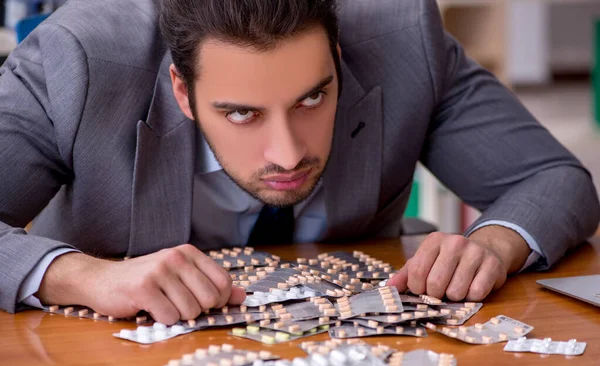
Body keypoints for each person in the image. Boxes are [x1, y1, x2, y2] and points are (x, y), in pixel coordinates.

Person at [0, 0, 598, 324]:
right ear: (181, 91)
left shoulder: (404, 36)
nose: (288, 154)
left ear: (337, 58)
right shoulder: (75, 61)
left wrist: (494, 243)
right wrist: (82, 276)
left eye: (313, 97)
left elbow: (554, 178)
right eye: (241, 113)